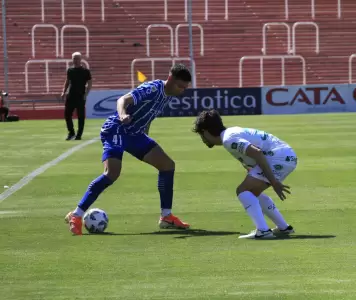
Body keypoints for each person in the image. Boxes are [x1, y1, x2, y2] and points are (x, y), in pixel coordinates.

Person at [65, 63, 192, 235]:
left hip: (135, 134)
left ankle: (166, 216)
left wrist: (145, 135)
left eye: (184, 88)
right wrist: (123, 114)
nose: (181, 91)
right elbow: (122, 100)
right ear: (170, 79)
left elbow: (147, 116)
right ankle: (77, 215)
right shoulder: (153, 88)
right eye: (180, 86)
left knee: (167, 165)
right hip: (117, 128)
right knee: (112, 173)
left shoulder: (168, 95)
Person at [192, 109, 296, 239]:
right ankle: (284, 228)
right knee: (251, 193)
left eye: (201, 135)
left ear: (205, 131)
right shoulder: (231, 133)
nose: (203, 139)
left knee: (242, 191)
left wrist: (274, 182)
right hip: (284, 155)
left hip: (277, 158)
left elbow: (257, 153)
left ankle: (263, 231)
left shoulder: (229, 140)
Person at [61, 52, 92, 140]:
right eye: (74, 58)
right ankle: (71, 133)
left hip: (80, 96)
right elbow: (67, 82)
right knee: (67, 115)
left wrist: (86, 94)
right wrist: (63, 92)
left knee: (80, 116)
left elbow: (90, 83)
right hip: (70, 95)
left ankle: (79, 135)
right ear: (72, 59)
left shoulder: (85, 71)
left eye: (77, 58)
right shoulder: (70, 70)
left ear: (80, 59)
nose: (76, 60)